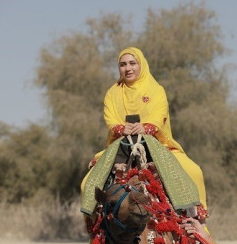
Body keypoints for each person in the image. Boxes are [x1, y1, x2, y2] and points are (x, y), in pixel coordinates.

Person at [82, 46, 208, 213]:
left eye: (132, 63)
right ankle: (95, 234)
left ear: (141, 65)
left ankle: (200, 223)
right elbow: (110, 118)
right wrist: (122, 128)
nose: (128, 68)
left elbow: (159, 115)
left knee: (195, 172)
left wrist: (145, 127)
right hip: (120, 145)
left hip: (158, 144)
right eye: (123, 64)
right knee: (87, 184)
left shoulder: (156, 90)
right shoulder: (112, 93)